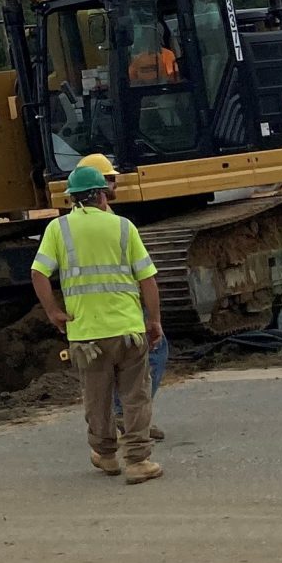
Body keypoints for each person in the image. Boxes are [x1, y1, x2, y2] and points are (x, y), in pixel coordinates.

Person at [30, 162, 164, 484]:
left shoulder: (58, 229)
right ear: (102, 195)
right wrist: (154, 320)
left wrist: (53, 312)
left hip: (86, 335)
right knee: (135, 396)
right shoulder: (123, 227)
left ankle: (106, 455)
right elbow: (147, 279)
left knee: (97, 398)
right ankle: (137, 461)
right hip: (128, 330)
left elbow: (38, 273)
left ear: (73, 198)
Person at [78, 154, 169, 442]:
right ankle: (130, 421)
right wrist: (154, 318)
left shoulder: (68, 226)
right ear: (98, 186)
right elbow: (145, 275)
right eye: (110, 179)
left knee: (100, 377)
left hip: (89, 317)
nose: (115, 183)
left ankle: (111, 433)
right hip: (119, 311)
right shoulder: (115, 223)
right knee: (148, 357)